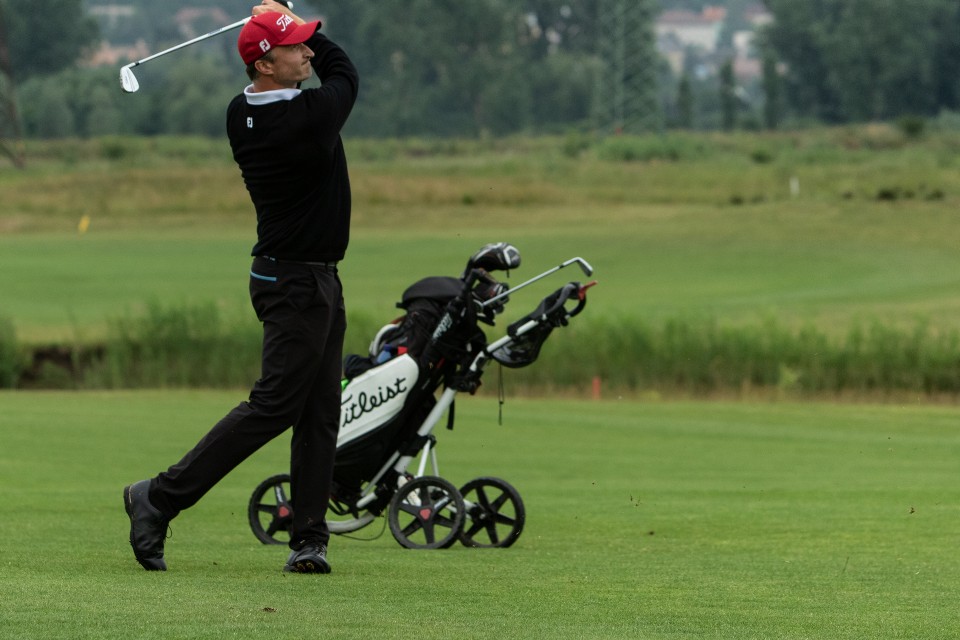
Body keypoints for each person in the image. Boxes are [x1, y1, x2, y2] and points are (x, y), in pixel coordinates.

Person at [123, 0, 359, 574]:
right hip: (296, 283)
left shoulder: (240, 113)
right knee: (276, 405)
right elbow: (346, 73)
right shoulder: (309, 117)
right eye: (296, 46)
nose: (308, 51)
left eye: (306, 42)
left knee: (319, 410)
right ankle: (159, 497)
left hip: (309, 278)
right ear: (264, 65)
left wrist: (284, 24)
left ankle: (309, 538)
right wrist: (287, 16)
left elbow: (315, 71)